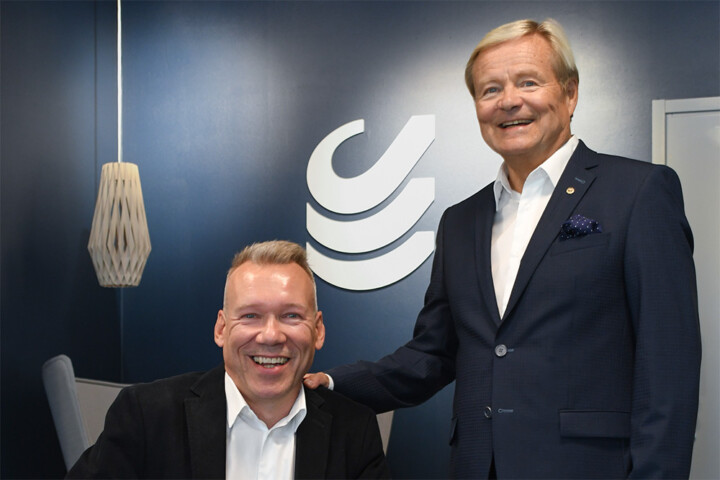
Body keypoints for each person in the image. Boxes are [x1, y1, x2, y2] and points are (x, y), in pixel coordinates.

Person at [304, 18, 701, 479]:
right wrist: (330, 383)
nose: (509, 101)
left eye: (528, 82)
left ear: (570, 93)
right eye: (490, 89)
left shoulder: (639, 192)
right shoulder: (459, 222)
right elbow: (432, 355)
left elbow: (668, 365)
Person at [67, 240, 390, 479]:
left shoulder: (355, 431)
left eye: (291, 315)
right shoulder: (147, 416)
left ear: (317, 330)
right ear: (221, 328)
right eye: (250, 315)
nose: (270, 335)